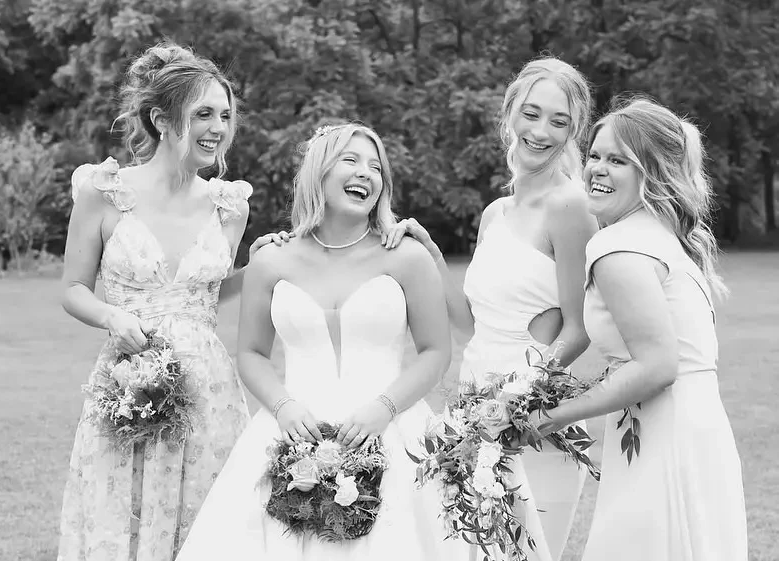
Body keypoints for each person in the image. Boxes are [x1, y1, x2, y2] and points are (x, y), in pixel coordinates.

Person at [174, 122, 470, 560]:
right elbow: (252, 354)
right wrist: (284, 406)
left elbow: (436, 352)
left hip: (390, 426)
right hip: (292, 427)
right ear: (318, 172)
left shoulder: (407, 256)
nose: (366, 173)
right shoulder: (271, 259)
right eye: (350, 160)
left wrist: (383, 409)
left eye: (376, 167)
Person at [384, 57, 598, 560]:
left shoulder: (571, 207)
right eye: (532, 113)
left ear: (574, 133)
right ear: (510, 114)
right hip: (471, 409)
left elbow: (579, 329)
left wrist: (515, 402)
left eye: (559, 121)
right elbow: (471, 327)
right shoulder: (495, 213)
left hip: (534, 421)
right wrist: (432, 254)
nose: (540, 131)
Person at [57, 42, 256, 560]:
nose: (219, 126)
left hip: (208, 392)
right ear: (162, 119)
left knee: (204, 525)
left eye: (226, 115)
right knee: (118, 515)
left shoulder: (229, 206)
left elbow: (209, 297)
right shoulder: (103, 191)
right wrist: (111, 315)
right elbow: (72, 289)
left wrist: (263, 268)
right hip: (127, 382)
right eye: (204, 114)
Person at [532, 97, 748, 560]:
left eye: (618, 161)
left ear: (651, 172)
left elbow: (656, 367)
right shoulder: (659, 237)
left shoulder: (619, 248)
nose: (597, 170)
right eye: (594, 156)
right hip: (691, 426)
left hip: (666, 436)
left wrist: (552, 415)